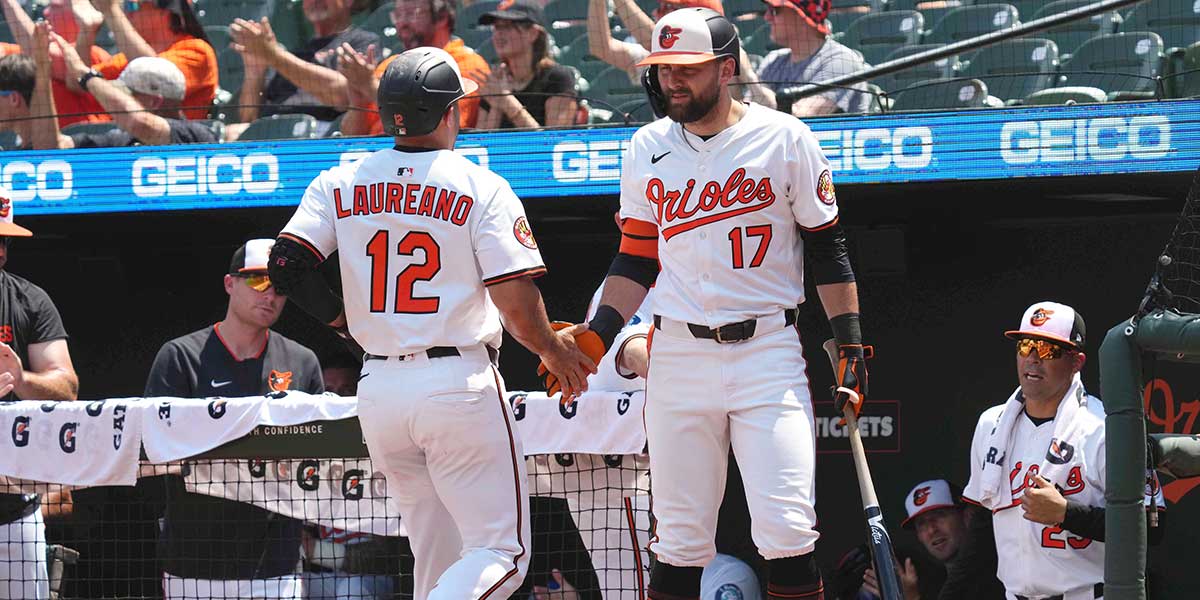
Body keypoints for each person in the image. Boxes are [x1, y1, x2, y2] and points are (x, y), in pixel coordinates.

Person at [537, 8, 869, 600]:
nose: (671, 82)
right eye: (663, 70)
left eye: (686, 70)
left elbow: (828, 247)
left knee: (788, 531)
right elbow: (635, 258)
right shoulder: (646, 146)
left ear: (726, 67)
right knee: (681, 543)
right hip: (678, 356)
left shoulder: (785, 136)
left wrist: (850, 343)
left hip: (767, 350)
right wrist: (598, 332)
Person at [267, 47, 595, 599]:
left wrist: (345, 321)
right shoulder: (478, 183)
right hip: (456, 382)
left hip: (380, 390)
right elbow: (515, 301)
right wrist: (553, 351)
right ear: (452, 112)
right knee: (501, 552)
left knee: (437, 555)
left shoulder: (340, 179)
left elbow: (284, 266)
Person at [144, 239, 324, 600]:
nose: (270, 294)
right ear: (230, 284)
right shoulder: (181, 357)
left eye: (280, 286)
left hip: (276, 563)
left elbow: (320, 457)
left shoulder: (303, 362)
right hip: (194, 561)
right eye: (258, 281)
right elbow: (151, 449)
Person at [960, 302, 1162, 600]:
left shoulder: (1106, 428)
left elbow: (1153, 528)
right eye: (1026, 345)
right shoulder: (991, 424)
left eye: (1048, 350)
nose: (1032, 359)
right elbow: (981, 527)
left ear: (1076, 361)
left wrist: (1067, 514)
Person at [0, 193, 78, 600]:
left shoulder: (28, 301)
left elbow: (67, 387)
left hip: (15, 512)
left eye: (1, 241)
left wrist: (21, 379)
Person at [32, 25, 216, 148]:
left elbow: (140, 123)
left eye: (127, 96)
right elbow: (51, 147)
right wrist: (42, 71)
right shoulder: (120, 138)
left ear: (154, 102)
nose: (115, 104)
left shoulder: (196, 135)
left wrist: (85, 75)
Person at [227, 0, 380, 139]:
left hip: (320, 133)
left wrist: (273, 55)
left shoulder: (360, 42)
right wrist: (255, 70)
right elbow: (248, 117)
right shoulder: (295, 53)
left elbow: (343, 96)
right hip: (272, 132)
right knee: (230, 133)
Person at [335, 0, 489, 136]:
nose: (402, 23)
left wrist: (368, 86)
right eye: (398, 14)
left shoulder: (467, 64)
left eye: (411, 13)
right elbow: (350, 134)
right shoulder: (390, 65)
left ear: (442, 17)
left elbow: (440, 127)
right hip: (377, 160)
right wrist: (358, 103)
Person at [835, 479, 1005, 600]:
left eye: (939, 516)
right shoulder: (936, 581)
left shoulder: (996, 571)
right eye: (922, 524)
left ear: (967, 516)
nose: (932, 530)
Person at [78, 0, 217, 119]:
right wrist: (86, 32)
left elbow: (151, 74)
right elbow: (79, 82)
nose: (127, 14)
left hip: (179, 146)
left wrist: (111, 10)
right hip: (131, 143)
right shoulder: (127, 58)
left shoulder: (197, 51)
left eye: (132, 6)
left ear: (165, 12)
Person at [749, 0, 873, 116]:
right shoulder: (774, 60)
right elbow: (746, 113)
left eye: (774, 11)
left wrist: (748, 74)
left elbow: (800, 118)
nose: (767, 17)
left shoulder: (841, 61)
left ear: (802, 17)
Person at [0, 0, 113, 126]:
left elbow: (52, 59)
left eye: (54, 7)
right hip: (52, 141)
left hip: (94, 141)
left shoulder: (98, 55)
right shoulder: (22, 53)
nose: (45, 12)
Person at [475, 0, 578, 129]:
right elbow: (483, 144)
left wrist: (506, 100)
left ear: (533, 33)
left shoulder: (558, 78)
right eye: (496, 27)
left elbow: (552, 142)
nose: (498, 34)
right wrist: (496, 106)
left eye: (507, 26)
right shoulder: (496, 81)